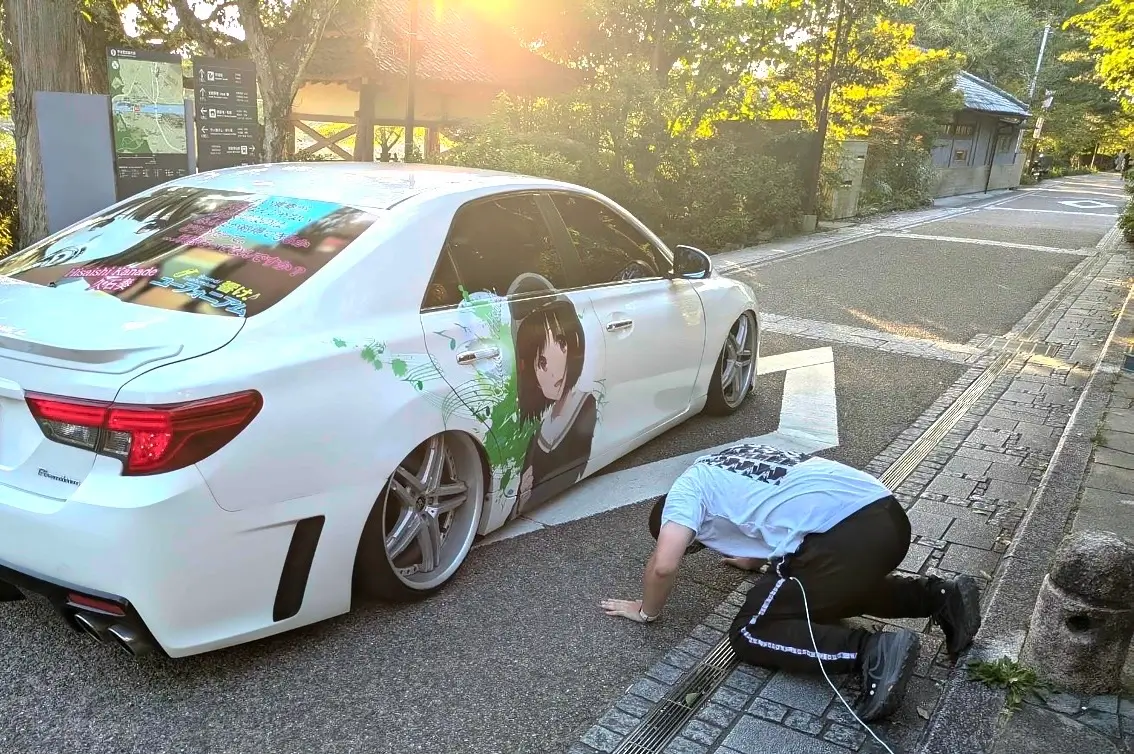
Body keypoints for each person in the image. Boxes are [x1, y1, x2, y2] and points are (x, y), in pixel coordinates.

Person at [600, 443, 982, 722]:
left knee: (750, 632)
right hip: (886, 517)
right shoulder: (719, 463)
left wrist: (645, 610)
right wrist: (753, 561)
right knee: (827, 592)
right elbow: (771, 505)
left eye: (693, 544)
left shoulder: (683, 496)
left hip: (841, 537)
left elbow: (664, 565)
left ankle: (870, 651)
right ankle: (939, 596)